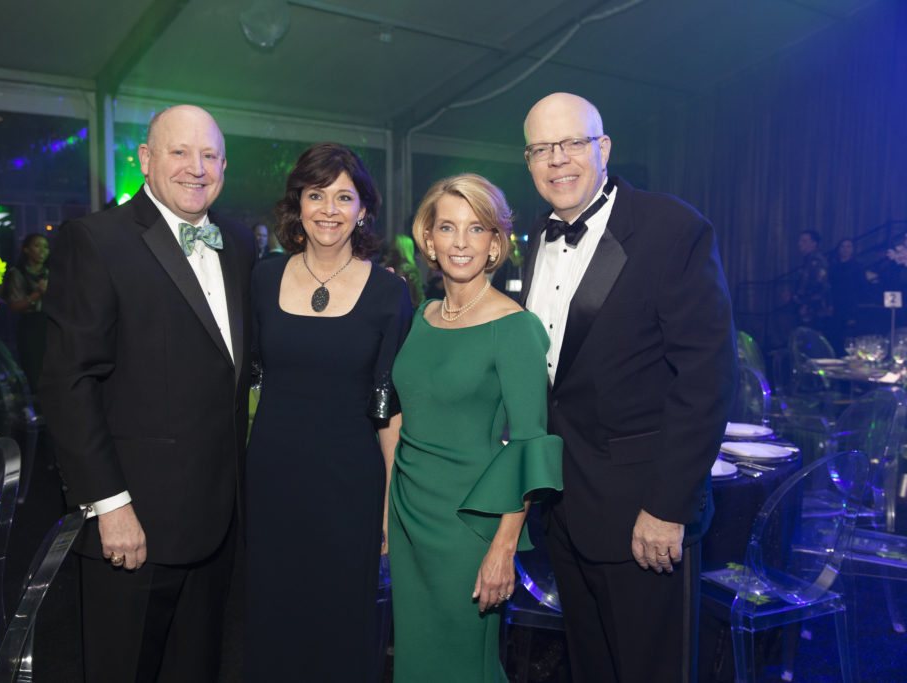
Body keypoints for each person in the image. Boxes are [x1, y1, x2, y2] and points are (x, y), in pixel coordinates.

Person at [519, 93, 737, 683]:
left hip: (646, 517)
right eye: (542, 149)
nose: (557, 160)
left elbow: (708, 378)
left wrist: (668, 508)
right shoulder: (536, 238)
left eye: (571, 144)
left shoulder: (673, 228)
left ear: (604, 147)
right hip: (565, 508)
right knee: (592, 667)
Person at [40, 104, 255, 683]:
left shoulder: (236, 242)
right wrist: (110, 507)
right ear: (145, 160)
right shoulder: (96, 239)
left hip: (217, 518)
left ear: (224, 166)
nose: (196, 167)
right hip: (135, 524)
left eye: (209, 155)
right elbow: (69, 383)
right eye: (180, 152)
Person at [244, 142, 411, 682]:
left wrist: (389, 509)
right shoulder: (264, 278)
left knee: (343, 629)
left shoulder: (390, 294)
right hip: (271, 484)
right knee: (273, 622)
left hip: (350, 490)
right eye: (317, 195)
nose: (330, 209)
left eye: (345, 196)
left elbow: (392, 411)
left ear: (364, 207)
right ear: (299, 203)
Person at [388, 173, 562, 682]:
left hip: (469, 526)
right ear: (429, 238)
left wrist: (503, 549)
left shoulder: (514, 327)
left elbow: (530, 444)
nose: (460, 242)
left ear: (495, 244)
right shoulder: (422, 315)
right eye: (447, 227)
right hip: (408, 516)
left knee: (464, 664)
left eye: (476, 228)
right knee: (418, 661)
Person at [0, 232, 49, 391]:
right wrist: (37, 294)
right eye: (37, 246)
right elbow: (14, 307)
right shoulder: (17, 273)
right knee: (34, 371)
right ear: (26, 250)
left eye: (46, 247)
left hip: (53, 326)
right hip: (31, 326)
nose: (42, 250)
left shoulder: (53, 272)